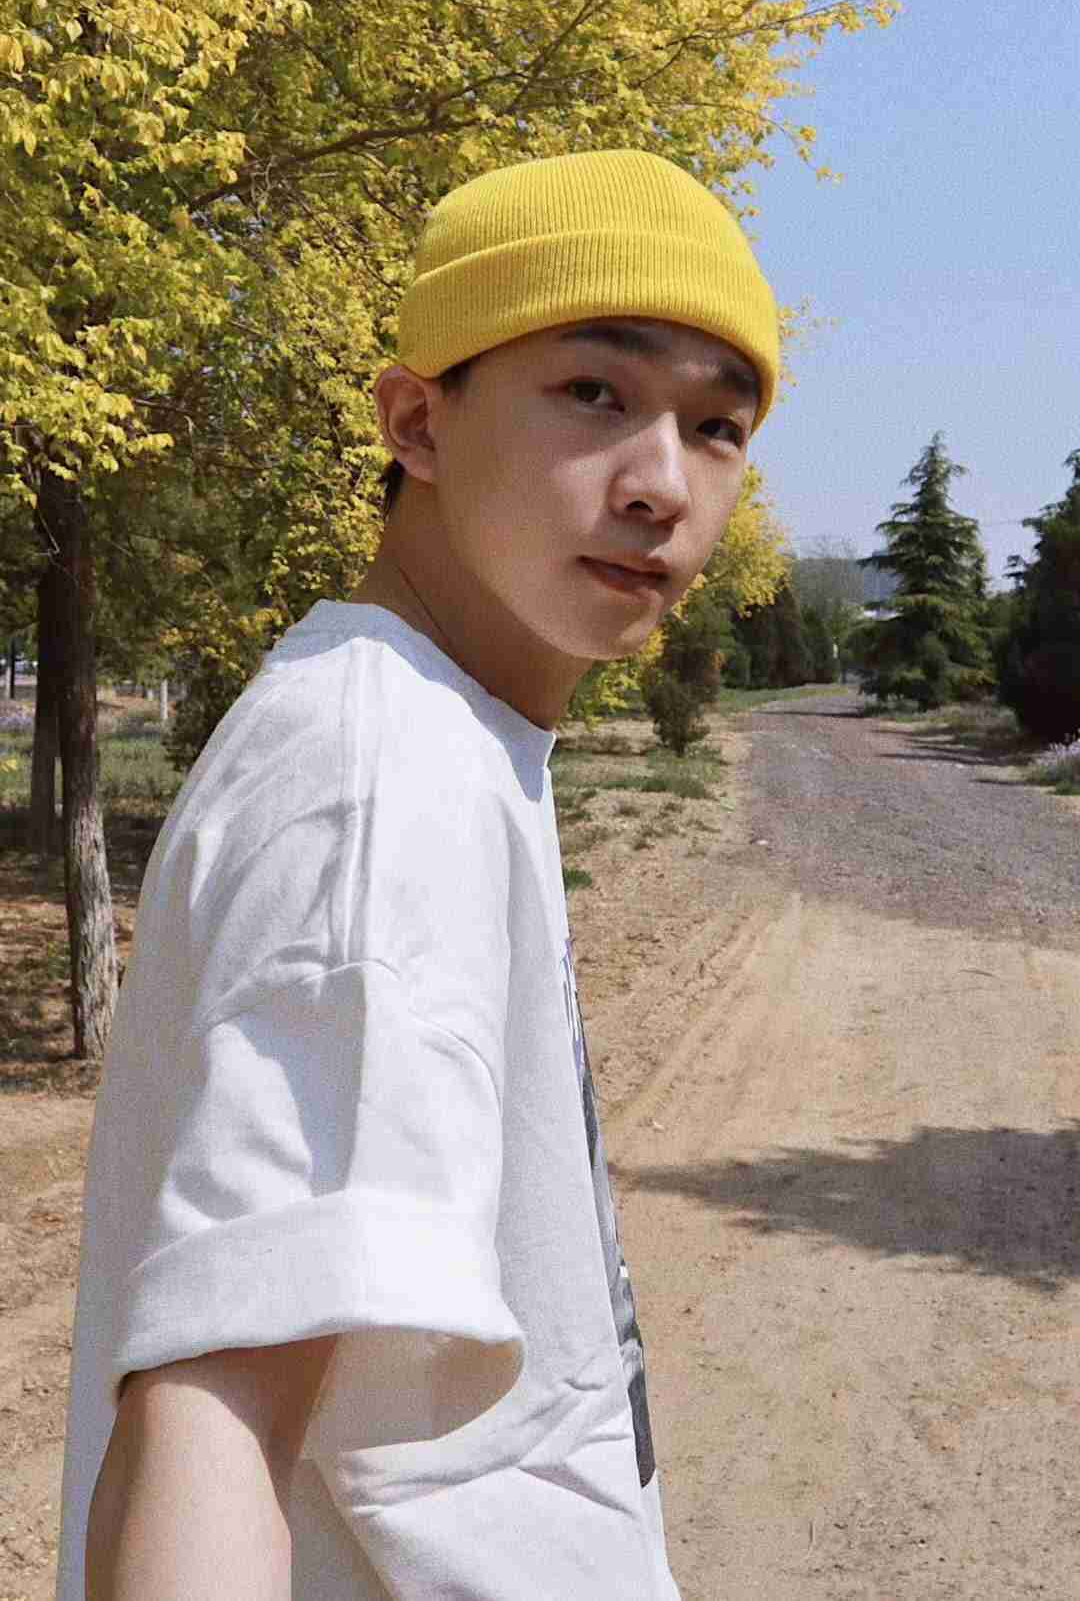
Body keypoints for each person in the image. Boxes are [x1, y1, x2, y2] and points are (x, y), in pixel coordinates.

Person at [56, 147, 779, 1601]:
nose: (662, 485)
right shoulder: (385, 778)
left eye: (717, 426)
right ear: (417, 421)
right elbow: (211, 1420)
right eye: (595, 391)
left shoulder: (440, 736)